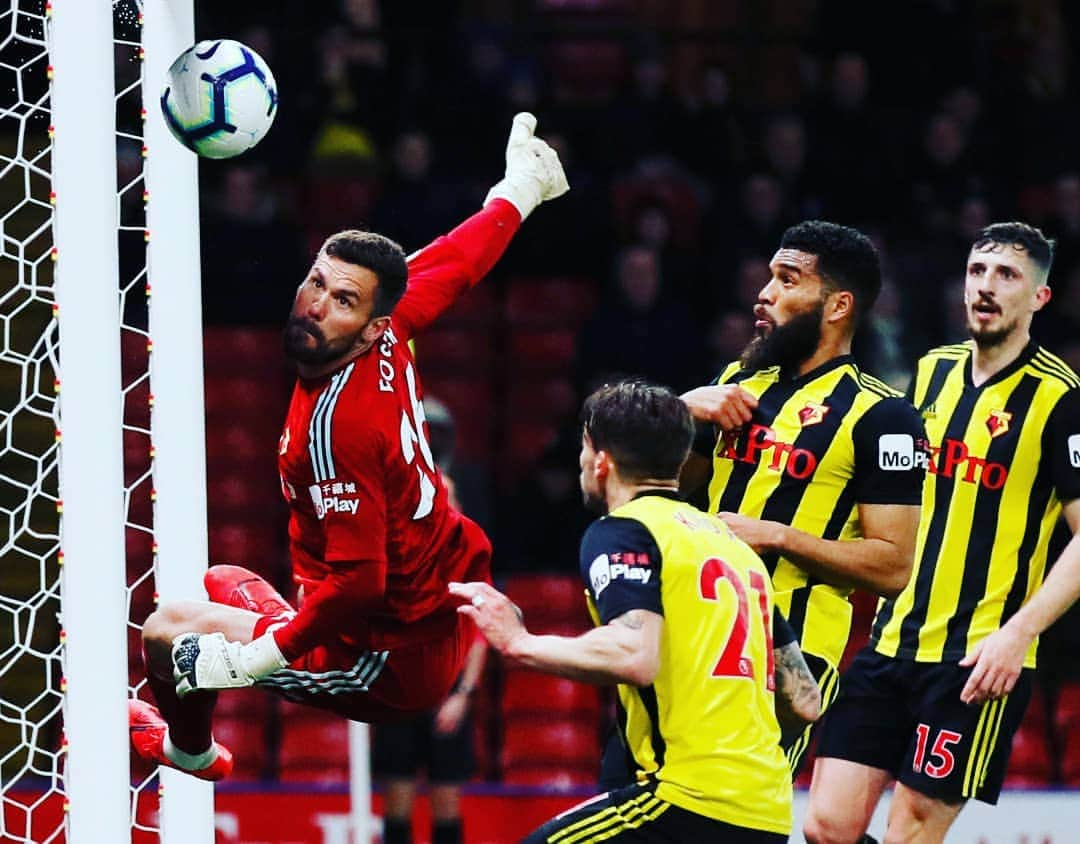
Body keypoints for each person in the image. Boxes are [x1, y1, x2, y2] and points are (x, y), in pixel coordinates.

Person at [127, 113, 569, 782]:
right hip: (425, 607)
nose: (314, 304)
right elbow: (455, 261)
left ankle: (190, 751)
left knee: (168, 628)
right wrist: (522, 188)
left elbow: (358, 586)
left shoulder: (336, 433)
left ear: (369, 329)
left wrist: (256, 660)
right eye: (316, 283)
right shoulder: (387, 328)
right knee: (224, 581)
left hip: (388, 661)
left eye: (341, 301)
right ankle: (218, 706)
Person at [805, 222, 1080, 844]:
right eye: (977, 271)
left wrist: (1018, 635)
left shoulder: (1061, 400)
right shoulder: (931, 373)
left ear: (1039, 298)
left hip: (977, 659)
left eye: (1007, 275)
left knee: (910, 834)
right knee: (825, 827)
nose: (986, 286)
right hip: (891, 641)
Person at [451, 380, 820, 843]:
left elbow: (633, 655)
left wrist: (520, 642)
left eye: (585, 449)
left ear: (601, 459)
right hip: (764, 812)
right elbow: (805, 699)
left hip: (687, 797)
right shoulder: (733, 545)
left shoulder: (624, 530)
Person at [679, 220, 927, 775]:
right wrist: (682, 412)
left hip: (787, 655)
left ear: (838, 306)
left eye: (788, 280)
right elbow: (663, 490)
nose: (764, 294)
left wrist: (779, 536)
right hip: (693, 627)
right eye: (769, 278)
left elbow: (892, 566)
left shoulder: (885, 417)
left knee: (727, 816)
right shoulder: (737, 383)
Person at [372, 635, 487, 844]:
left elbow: (477, 639)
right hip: (397, 692)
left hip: (447, 691)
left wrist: (463, 694)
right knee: (397, 798)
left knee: (446, 798)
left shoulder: (458, 601)